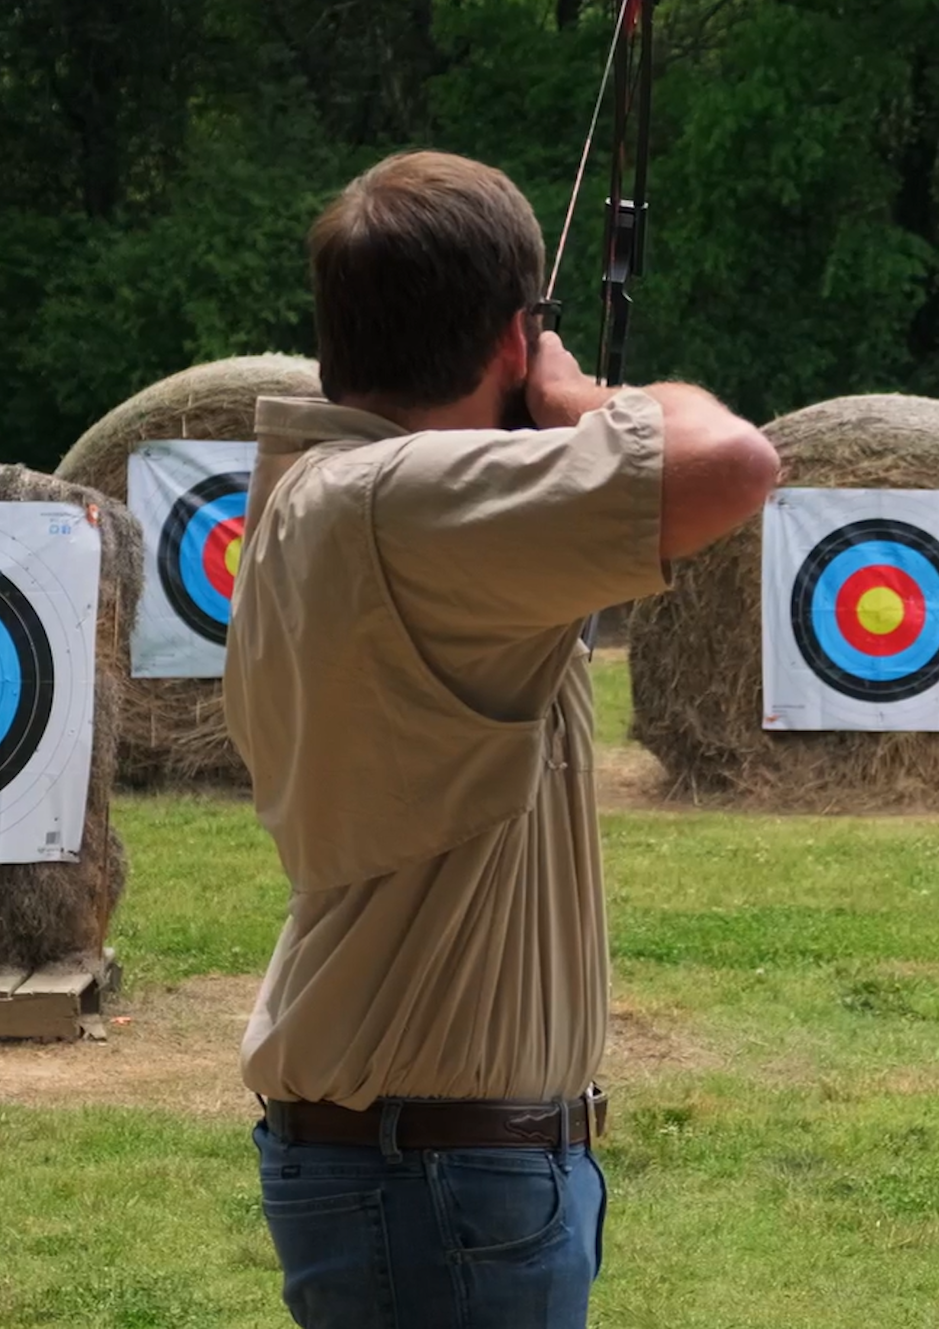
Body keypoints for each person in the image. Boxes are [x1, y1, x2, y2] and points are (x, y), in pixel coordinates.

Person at [224, 149, 779, 1328]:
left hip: (438, 1168)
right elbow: (731, 462)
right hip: (436, 1181)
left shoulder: (347, 497)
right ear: (510, 342)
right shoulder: (394, 502)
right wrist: (585, 406)